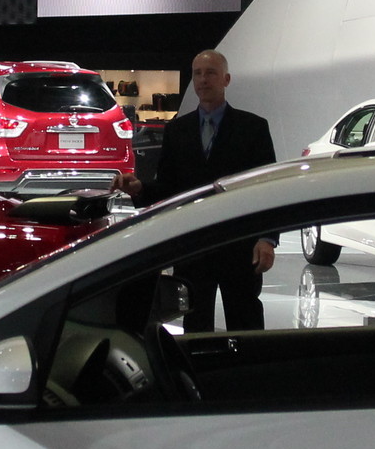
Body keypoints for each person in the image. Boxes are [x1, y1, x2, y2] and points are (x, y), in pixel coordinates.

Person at [116, 49, 277, 331]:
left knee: (246, 321)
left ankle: (250, 374)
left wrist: (267, 238)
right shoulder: (178, 131)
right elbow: (169, 187)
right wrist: (140, 189)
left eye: (211, 73)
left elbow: (267, 189)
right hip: (194, 246)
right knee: (195, 324)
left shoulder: (253, 128)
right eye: (198, 74)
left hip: (240, 245)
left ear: (226, 79)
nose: (203, 80)